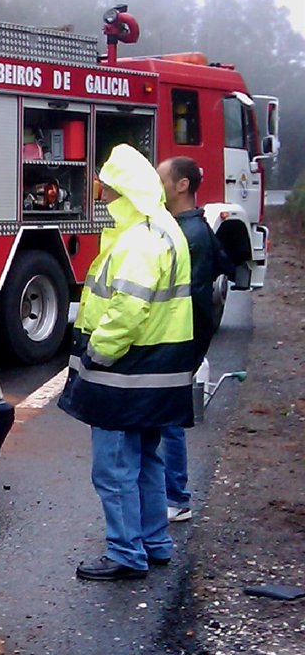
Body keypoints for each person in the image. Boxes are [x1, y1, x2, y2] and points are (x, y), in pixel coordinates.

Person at [58, 144, 196, 581]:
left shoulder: (139, 239)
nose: (100, 194)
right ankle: (154, 543)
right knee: (147, 461)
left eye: (105, 187)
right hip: (157, 368)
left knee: (115, 469)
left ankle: (125, 553)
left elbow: (127, 309)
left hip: (126, 372)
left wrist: (98, 351)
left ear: (121, 190)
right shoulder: (163, 228)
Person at [156, 156, 235, 523]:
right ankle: (171, 495)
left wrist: (186, 350)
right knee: (163, 416)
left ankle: (176, 498)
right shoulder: (190, 227)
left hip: (179, 342)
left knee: (168, 417)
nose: (157, 185)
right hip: (179, 341)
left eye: (162, 179)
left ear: (182, 185)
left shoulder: (190, 235)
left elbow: (195, 299)